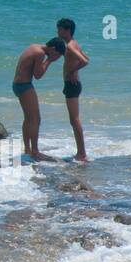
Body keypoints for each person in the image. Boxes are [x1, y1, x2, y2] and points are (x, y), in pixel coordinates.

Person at [11, 39, 67, 161]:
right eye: (57, 55)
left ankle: (27, 149)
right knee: (36, 118)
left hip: (18, 84)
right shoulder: (40, 53)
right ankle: (35, 152)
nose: (57, 58)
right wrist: (49, 60)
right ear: (52, 49)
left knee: (28, 118)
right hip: (24, 85)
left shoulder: (34, 46)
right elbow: (38, 75)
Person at [56, 18, 90, 162]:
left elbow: (84, 61)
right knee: (74, 119)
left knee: (74, 120)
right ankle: (81, 153)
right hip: (74, 85)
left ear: (67, 30)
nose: (57, 31)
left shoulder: (70, 46)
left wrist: (71, 72)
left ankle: (81, 154)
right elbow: (86, 57)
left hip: (72, 85)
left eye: (59, 29)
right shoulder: (74, 43)